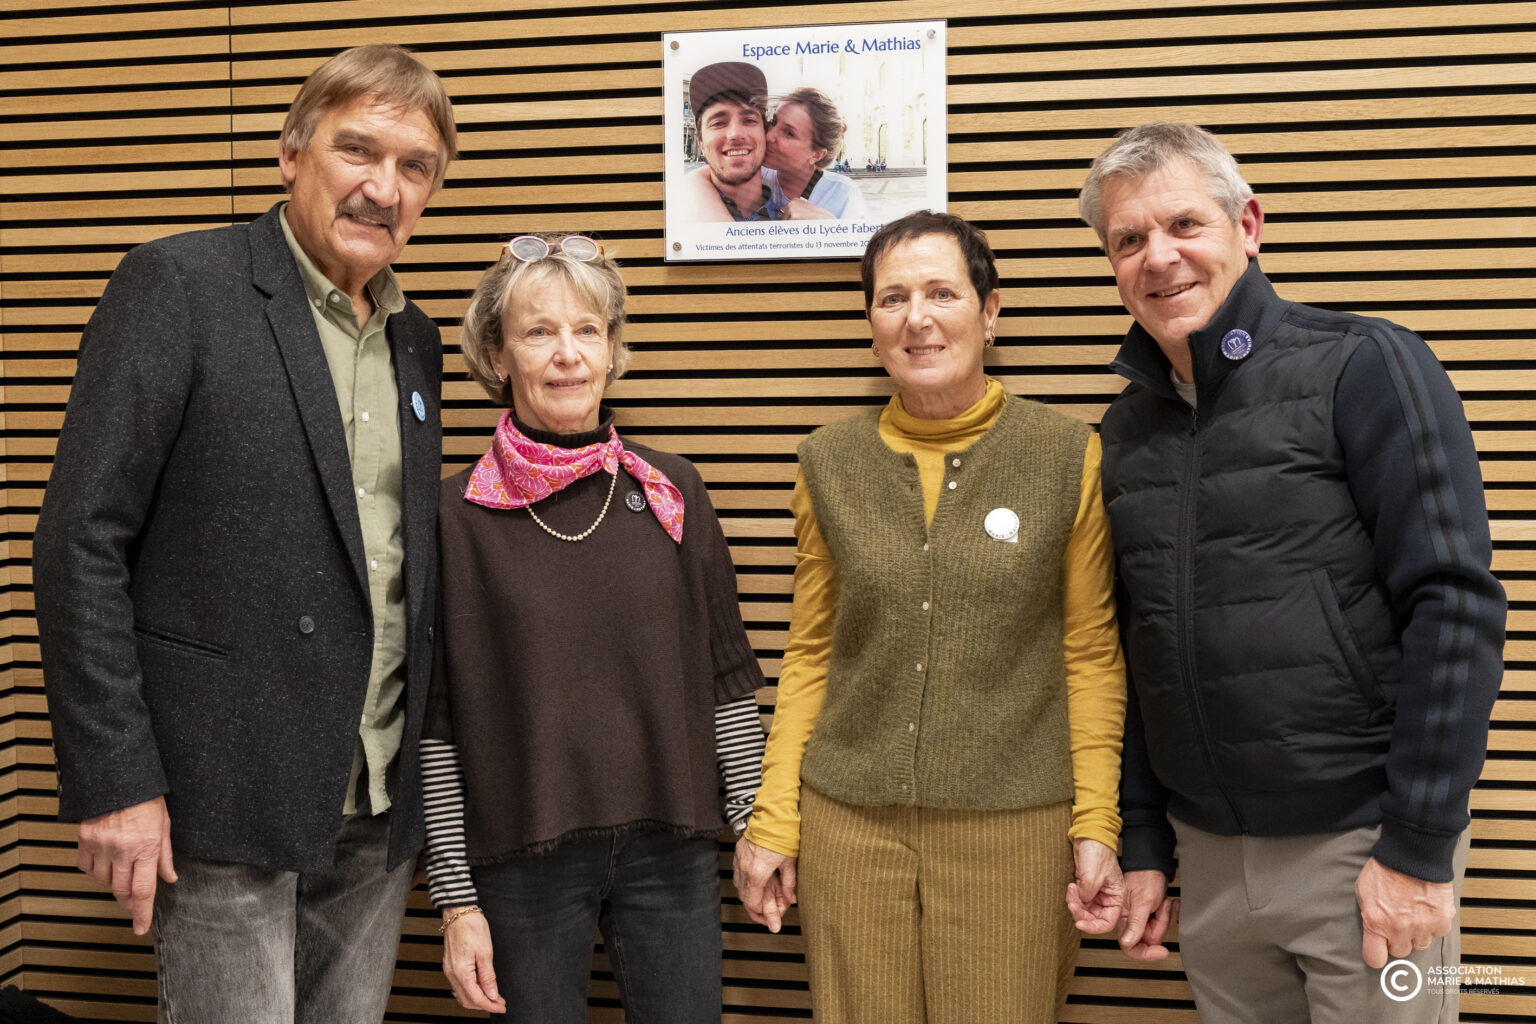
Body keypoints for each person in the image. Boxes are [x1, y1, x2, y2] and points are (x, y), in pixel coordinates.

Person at [31, 44, 457, 1023]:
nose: (384, 187)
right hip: (219, 789)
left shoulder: (417, 337)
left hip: (372, 794)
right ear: (292, 153)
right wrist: (115, 780)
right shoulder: (179, 285)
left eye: (415, 167)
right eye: (358, 150)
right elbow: (80, 541)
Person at [1080, 122, 1505, 1023]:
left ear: (1248, 225)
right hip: (1210, 857)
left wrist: (1418, 846)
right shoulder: (1123, 433)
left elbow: (1454, 605)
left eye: (1184, 225)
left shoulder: (1364, 364)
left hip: (1364, 850)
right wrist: (1147, 840)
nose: (1159, 257)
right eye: (1129, 239)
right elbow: (1138, 649)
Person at [733, 210, 1128, 1023]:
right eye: (893, 298)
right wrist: (773, 819)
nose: (917, 318)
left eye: (942, 293)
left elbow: (1090, 654)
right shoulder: (827, 461)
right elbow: (812, 652)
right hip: (848, 825)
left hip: (1015, 827)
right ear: (871, 321)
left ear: (990, 310)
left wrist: (1097, 821)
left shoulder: (1066, 454)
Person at [421, 232, 767, 1023]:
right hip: (520, 862)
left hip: (671, 849)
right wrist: (455, 899)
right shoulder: (453, 516)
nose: (568, 355)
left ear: (612, 349)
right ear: (498, 355)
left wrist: (753, 820)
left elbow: (726, 678)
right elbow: (436, 723)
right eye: (539, 332)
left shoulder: (672, 490)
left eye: (587, 330)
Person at [679, 61, 783, 222]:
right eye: (718, 123)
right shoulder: (675, 220)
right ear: (701, 143)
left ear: (765, 133)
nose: (735, 134)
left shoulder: (800, 221)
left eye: (749, 120)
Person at [764, 88, 866, 220]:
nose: (768, 136)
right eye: (773, 122)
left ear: (817, 155)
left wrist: (828, 224)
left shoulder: (844, 195)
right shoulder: (752, 177)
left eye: (789, 133)